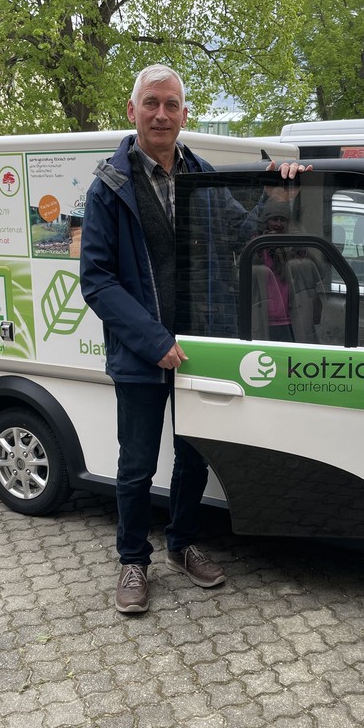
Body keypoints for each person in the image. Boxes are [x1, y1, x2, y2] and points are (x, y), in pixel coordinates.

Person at [80, 64, 307, 614]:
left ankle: (182, 543)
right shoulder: (108, 186)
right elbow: (97, 280)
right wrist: (152, 339)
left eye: (172, 104)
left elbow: (240, 232)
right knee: (135, 464)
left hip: (202, 344)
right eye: (152, 103)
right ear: (132, 111)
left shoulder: (201, 175)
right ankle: (133, 560)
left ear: (185, 114)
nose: (162, 114)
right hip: (143, 352)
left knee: (194, 452)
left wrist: (275, 196)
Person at [250, 199, 323, 342]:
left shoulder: (295, 244)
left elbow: (319, 273)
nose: (278, 224)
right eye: (274, 220)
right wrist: (262, 246)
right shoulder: (256, 244)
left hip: (294, 319)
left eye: (282, 220)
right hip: (265, 320)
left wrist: (299, 248)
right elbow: (243, 273)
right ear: (266, 221)